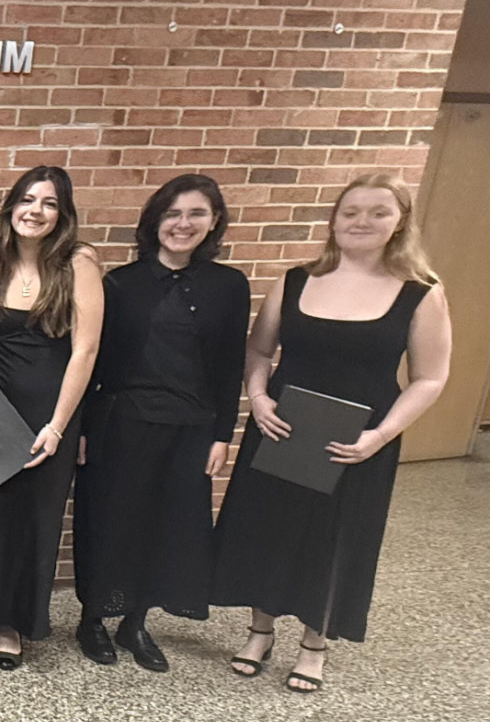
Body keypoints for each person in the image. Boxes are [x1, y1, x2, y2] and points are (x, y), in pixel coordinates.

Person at [213, 175, 451, 693]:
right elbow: (259, 351)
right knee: (271, 527)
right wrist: (259, 398)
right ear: (334, 220)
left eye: (378, 212)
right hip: (282, 427)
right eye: (351, 211)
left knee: (335, 536)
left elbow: (430, 378)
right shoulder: (296, 280)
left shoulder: (421, 292)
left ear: (400, 222)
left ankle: (314, 644)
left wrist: (381, 436)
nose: (362, 221)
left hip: (358, 440)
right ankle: (259, 632)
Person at [72, 175, 250, 672]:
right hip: (120, 425)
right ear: (155, 221)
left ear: (214, 221)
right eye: (173, 214)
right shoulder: (120, 284)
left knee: (166, 527)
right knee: (110, 523)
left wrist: (223, 434)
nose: (183, 224)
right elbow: (94, 360)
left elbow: (230, 366)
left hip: (190, 429)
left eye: (196, 214)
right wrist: (82, 427)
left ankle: (135, 622)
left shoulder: (229, 286)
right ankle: (92, 619)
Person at [0, 165, 103, 670]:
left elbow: (85, 351)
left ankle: (13, 622)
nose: (35, 211)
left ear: (62, 213)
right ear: (11, 207)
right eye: (28, 200)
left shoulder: (78, 264)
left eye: (49, 203)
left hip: (51, 415)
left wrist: (57, 426)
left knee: (36, 521)